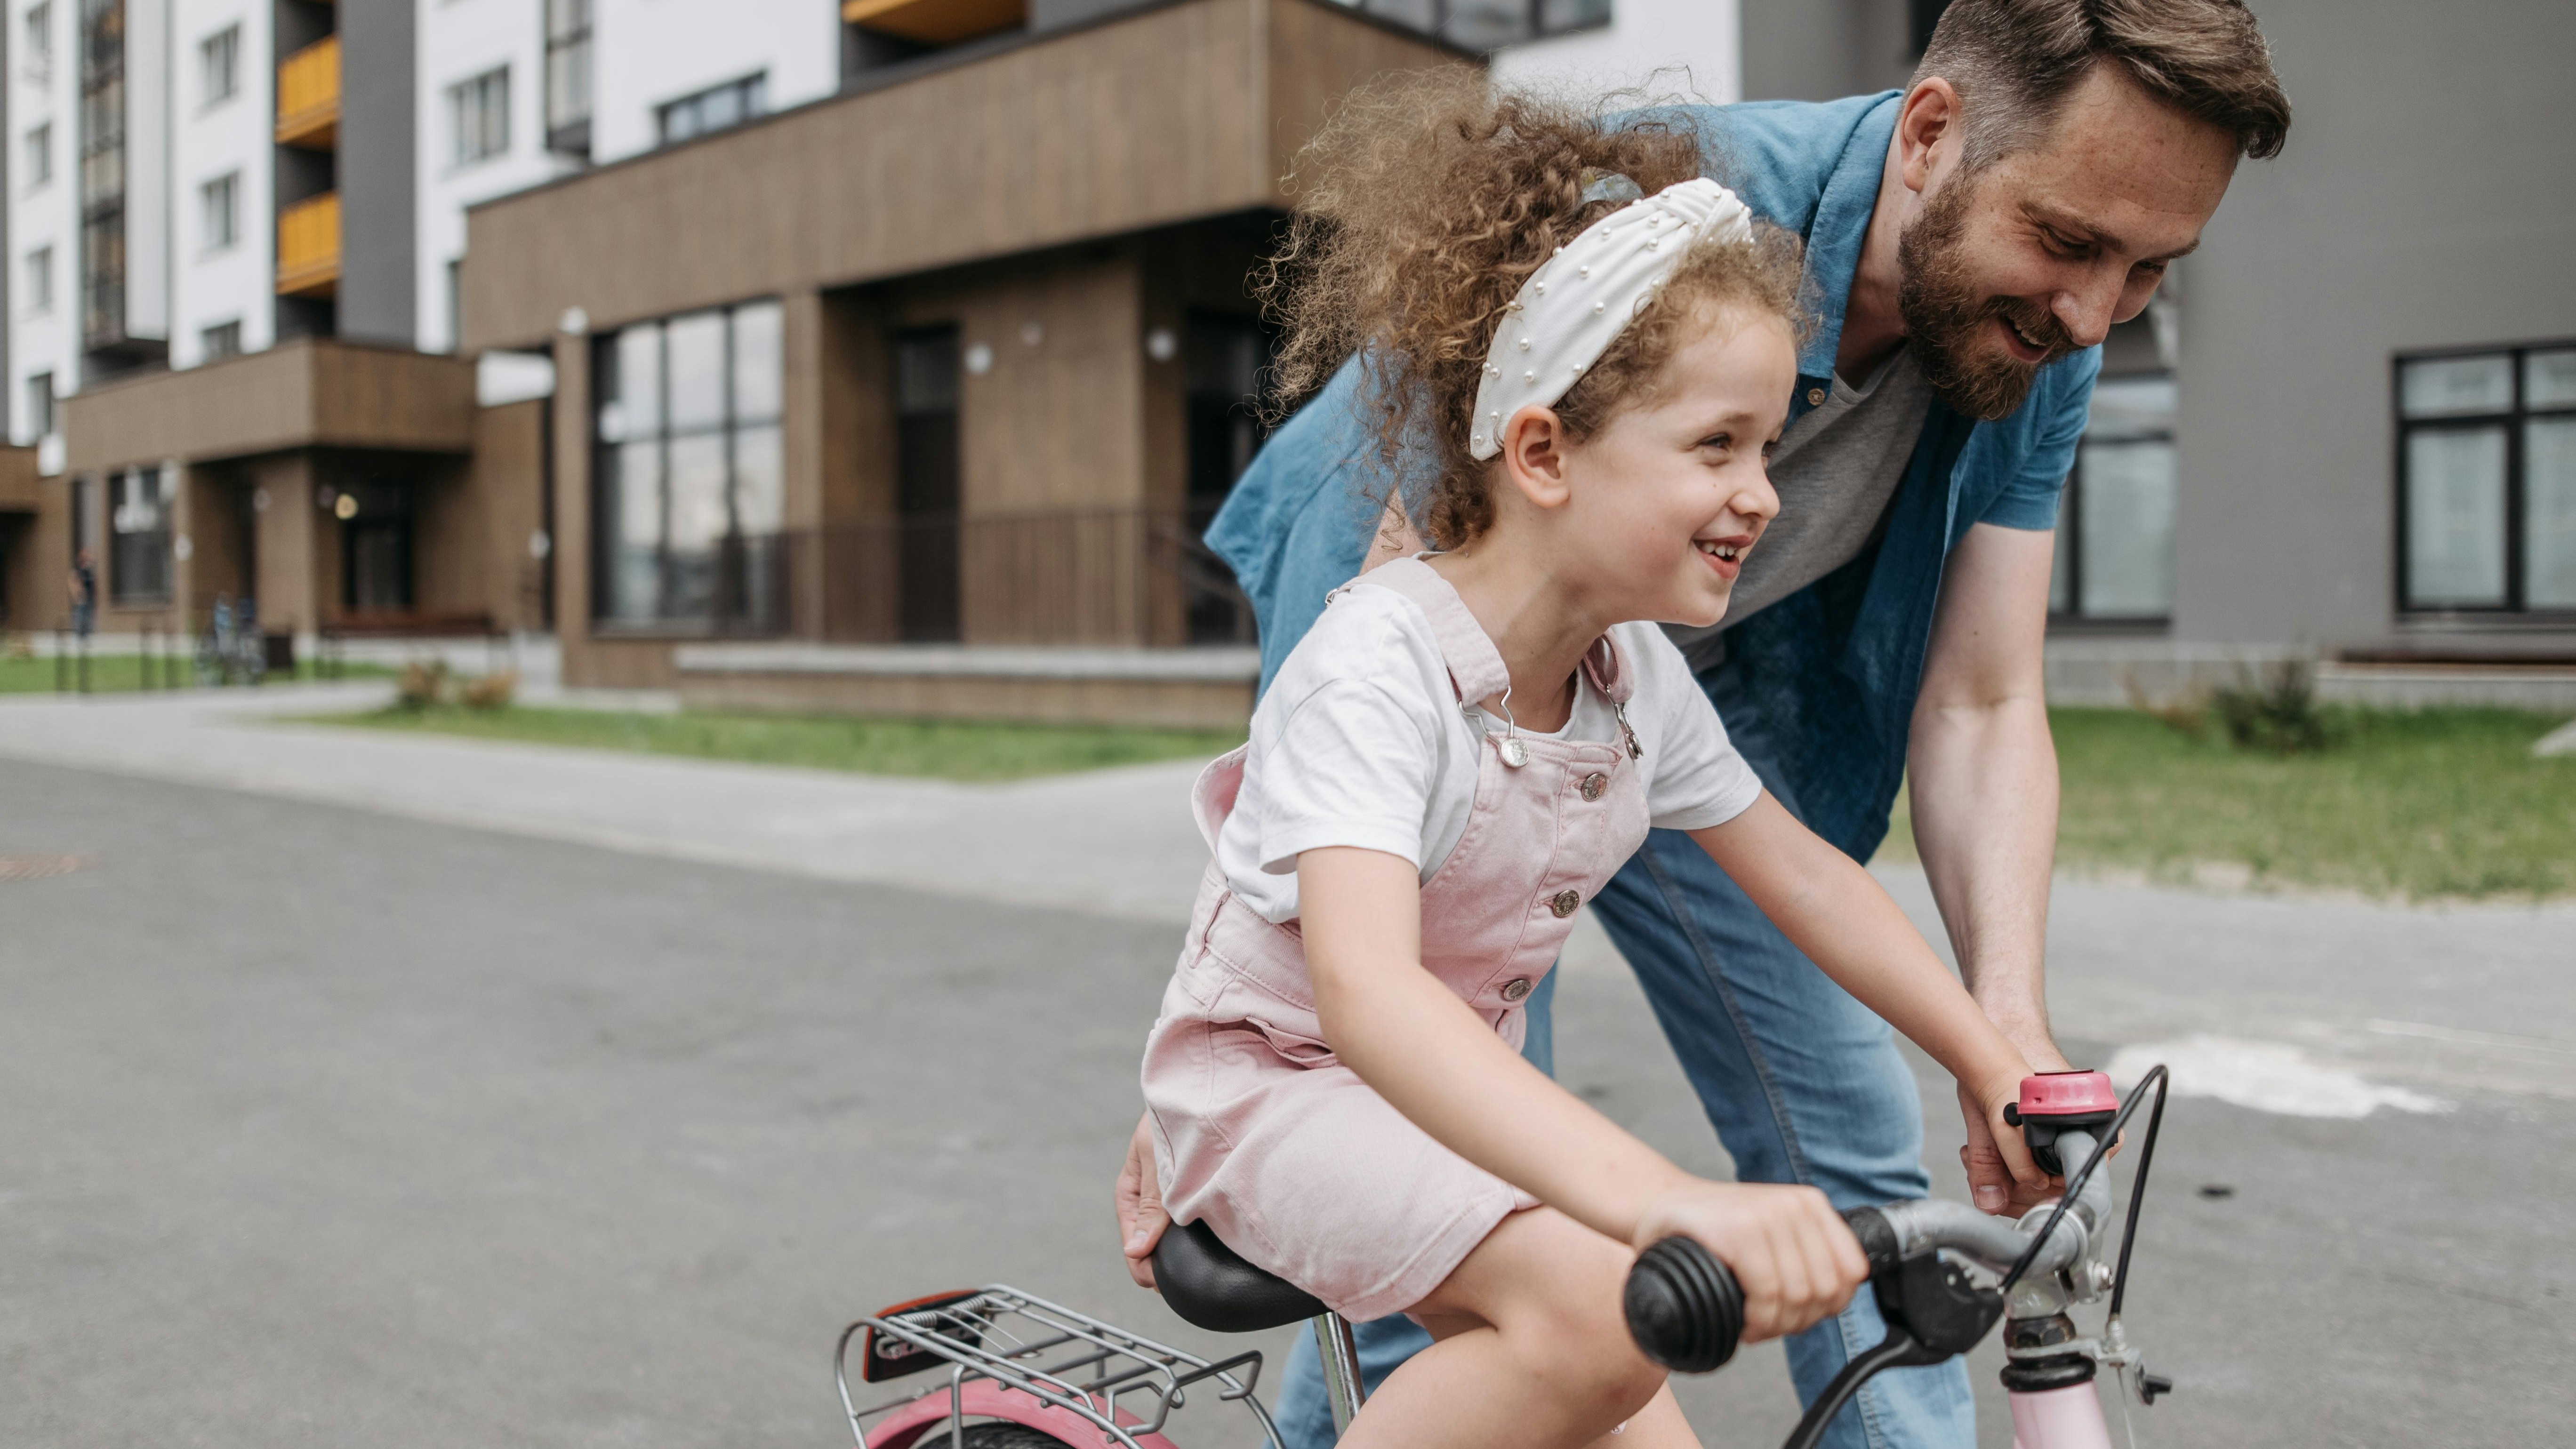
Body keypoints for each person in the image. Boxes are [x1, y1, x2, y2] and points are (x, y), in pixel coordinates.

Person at [1120, 3, 2291, 1445]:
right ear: (1930, 135)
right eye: (2064, 241)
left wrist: (1994, 1050)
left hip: (1603, 674)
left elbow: (1842, 837)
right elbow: (1360, 975)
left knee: (1685, 1263)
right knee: (1551, 1288)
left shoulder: (1637, 674)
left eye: (2148, 272)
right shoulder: (1634, 240)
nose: (2095, 315)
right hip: (1337, 965)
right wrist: (1653, 1197)